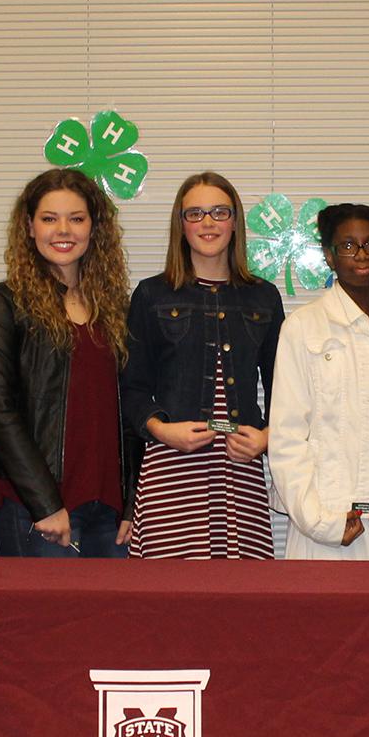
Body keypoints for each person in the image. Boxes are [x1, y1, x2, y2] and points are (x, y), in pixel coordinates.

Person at [0, 169, 135, 559]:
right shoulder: (6, 303)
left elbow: (130, 408)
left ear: (94, 228)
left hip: (109, 514)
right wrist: (44, 503)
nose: (63, 230)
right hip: (40, 513)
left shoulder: (115, 309)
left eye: (76, 219)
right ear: (29, 227)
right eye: (49, 219)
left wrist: (131, 503)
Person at [120, 173, 283, 560]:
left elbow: (288, 391)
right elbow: (131, 386)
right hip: (171, 462)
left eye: (219, 212)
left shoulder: (263, 296)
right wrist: (162, 430)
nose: (208, 223)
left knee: (238, 597)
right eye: (195, 213)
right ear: (181, 224)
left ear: (235, 222)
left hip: (240, 464)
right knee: (168, 598)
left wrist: (267, 438)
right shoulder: (151, 294)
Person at [269, 203, 369, 560]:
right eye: (348, 246)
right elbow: (286, 438)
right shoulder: (302, 329)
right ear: (329, 256)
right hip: (323, 524)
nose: (361, 254)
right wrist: (321, 523)